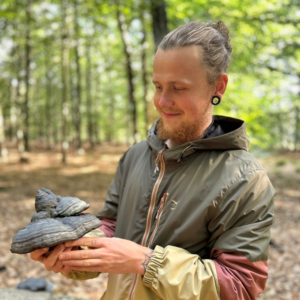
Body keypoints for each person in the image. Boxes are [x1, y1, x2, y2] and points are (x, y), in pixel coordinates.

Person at [30, 21, 275, 300]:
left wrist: (145, 262)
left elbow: (240, 286)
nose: (162, 101)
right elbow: (110, 228)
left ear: (218, 86)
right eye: (157, 86)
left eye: (178, 88)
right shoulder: (136, 155)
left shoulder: (245, 179)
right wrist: (71, 252)